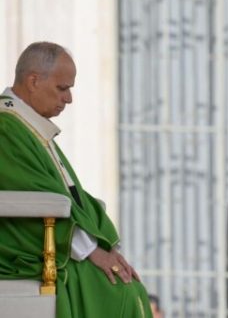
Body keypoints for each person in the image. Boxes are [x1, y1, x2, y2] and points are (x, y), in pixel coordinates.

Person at [0, 42, 153, 317]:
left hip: (48, 242)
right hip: (22, 249)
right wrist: (91, 250)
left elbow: (71, 194)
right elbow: (38, 195)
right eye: (62, 88)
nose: (69, 98)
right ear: (33, 81)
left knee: (127, 286)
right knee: (118, 290)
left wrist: (104, 246)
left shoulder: (26, 124)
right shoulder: (6, 127)